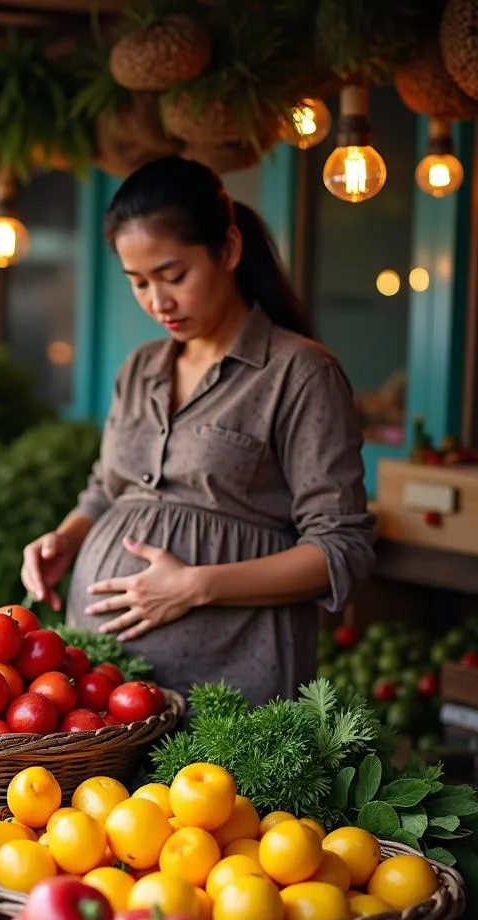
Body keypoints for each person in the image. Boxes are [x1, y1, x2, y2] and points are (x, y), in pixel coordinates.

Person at [20, 156, 375, 704]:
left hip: (231, 675)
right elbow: (105, 491)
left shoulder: (300, 373)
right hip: (102, 674)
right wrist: (67, 539)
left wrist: (197, 586)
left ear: (229, 250)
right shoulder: (140, 367)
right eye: (138, 283)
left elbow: (340, 548)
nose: (157, 302)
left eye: (173, 275)